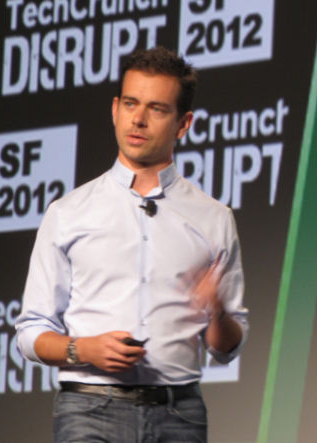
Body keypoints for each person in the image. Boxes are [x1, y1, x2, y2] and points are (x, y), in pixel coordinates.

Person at [16, 46, 248, 442]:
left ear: (183, 123)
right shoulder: (68, 212)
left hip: (179, 414)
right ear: (115, 109)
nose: (138, 119)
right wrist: (83, 350)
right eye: (130, 104)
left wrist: (217, 310)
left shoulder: (214, 218)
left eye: (156, 109)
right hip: (89, 409)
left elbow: (226, 347)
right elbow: (30, 332)